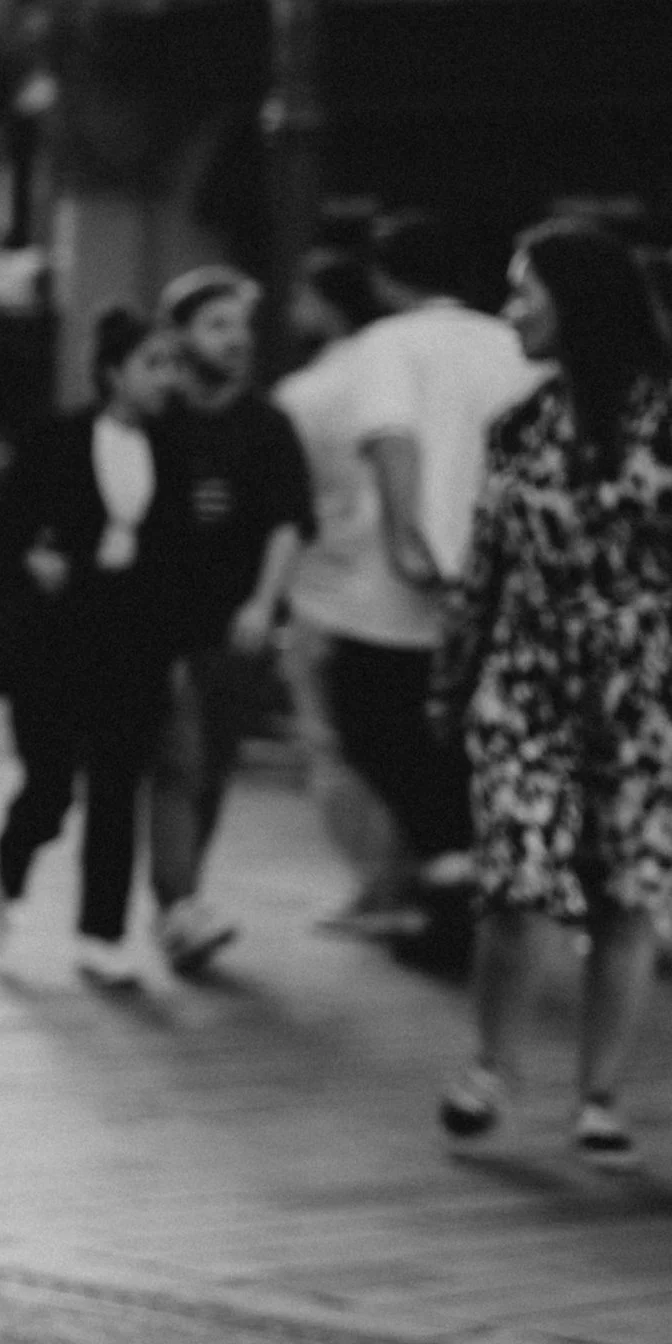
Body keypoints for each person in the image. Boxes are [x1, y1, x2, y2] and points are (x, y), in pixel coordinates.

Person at [438, 217, 672, 1160]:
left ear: (577, 303)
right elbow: (483, 567)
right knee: (513, 878)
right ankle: (490, 1069)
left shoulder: (664, 419)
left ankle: (599, 1097)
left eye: (522, 291)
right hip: (527, 680)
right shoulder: (518, 427)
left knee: (626, 889)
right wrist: (451, 678)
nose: (509, 312)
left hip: (642, 689)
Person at [322, 215, 536, 972]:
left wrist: (410, 542)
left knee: (368, 718)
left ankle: (450, 865)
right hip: (501, 575)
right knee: (461, 740)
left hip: (402, 589)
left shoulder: (388, 343)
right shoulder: (512, 343)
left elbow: (392, 438)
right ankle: (454, 884)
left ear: (386, 278)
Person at [0, 307, 191, 984]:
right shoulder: (57, 438)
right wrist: (32, 559)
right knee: (48, 788)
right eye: (153, 364)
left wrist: (175, 646)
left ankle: (102, 935)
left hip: (135, 639)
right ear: (113, 372)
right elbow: (5, 524)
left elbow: (181, 555)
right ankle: (7, 875)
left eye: (173, 364)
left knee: (117, 790)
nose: (167, 378)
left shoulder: (175, 448)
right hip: (58, 635)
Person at [147, 263, 312, 972]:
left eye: (242, 326)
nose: (236, 339)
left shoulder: (268, 426)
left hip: (235, 625)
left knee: (211, 768)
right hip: (156, 622)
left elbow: (288, 523)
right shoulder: (156, 416)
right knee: (178, 761)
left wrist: (263, 603)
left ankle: (184, 902)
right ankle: (178, 905)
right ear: (180, 334)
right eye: (217, 325)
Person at [270, 248, 415, 929]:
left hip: (327, 586)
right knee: (405, 742)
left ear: (326, 307)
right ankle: (413, 877)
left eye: (302, 297)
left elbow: (284, 501)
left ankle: (375, 887)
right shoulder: (398, 377)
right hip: (410, 586)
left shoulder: (308, 393)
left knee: (329, 740)